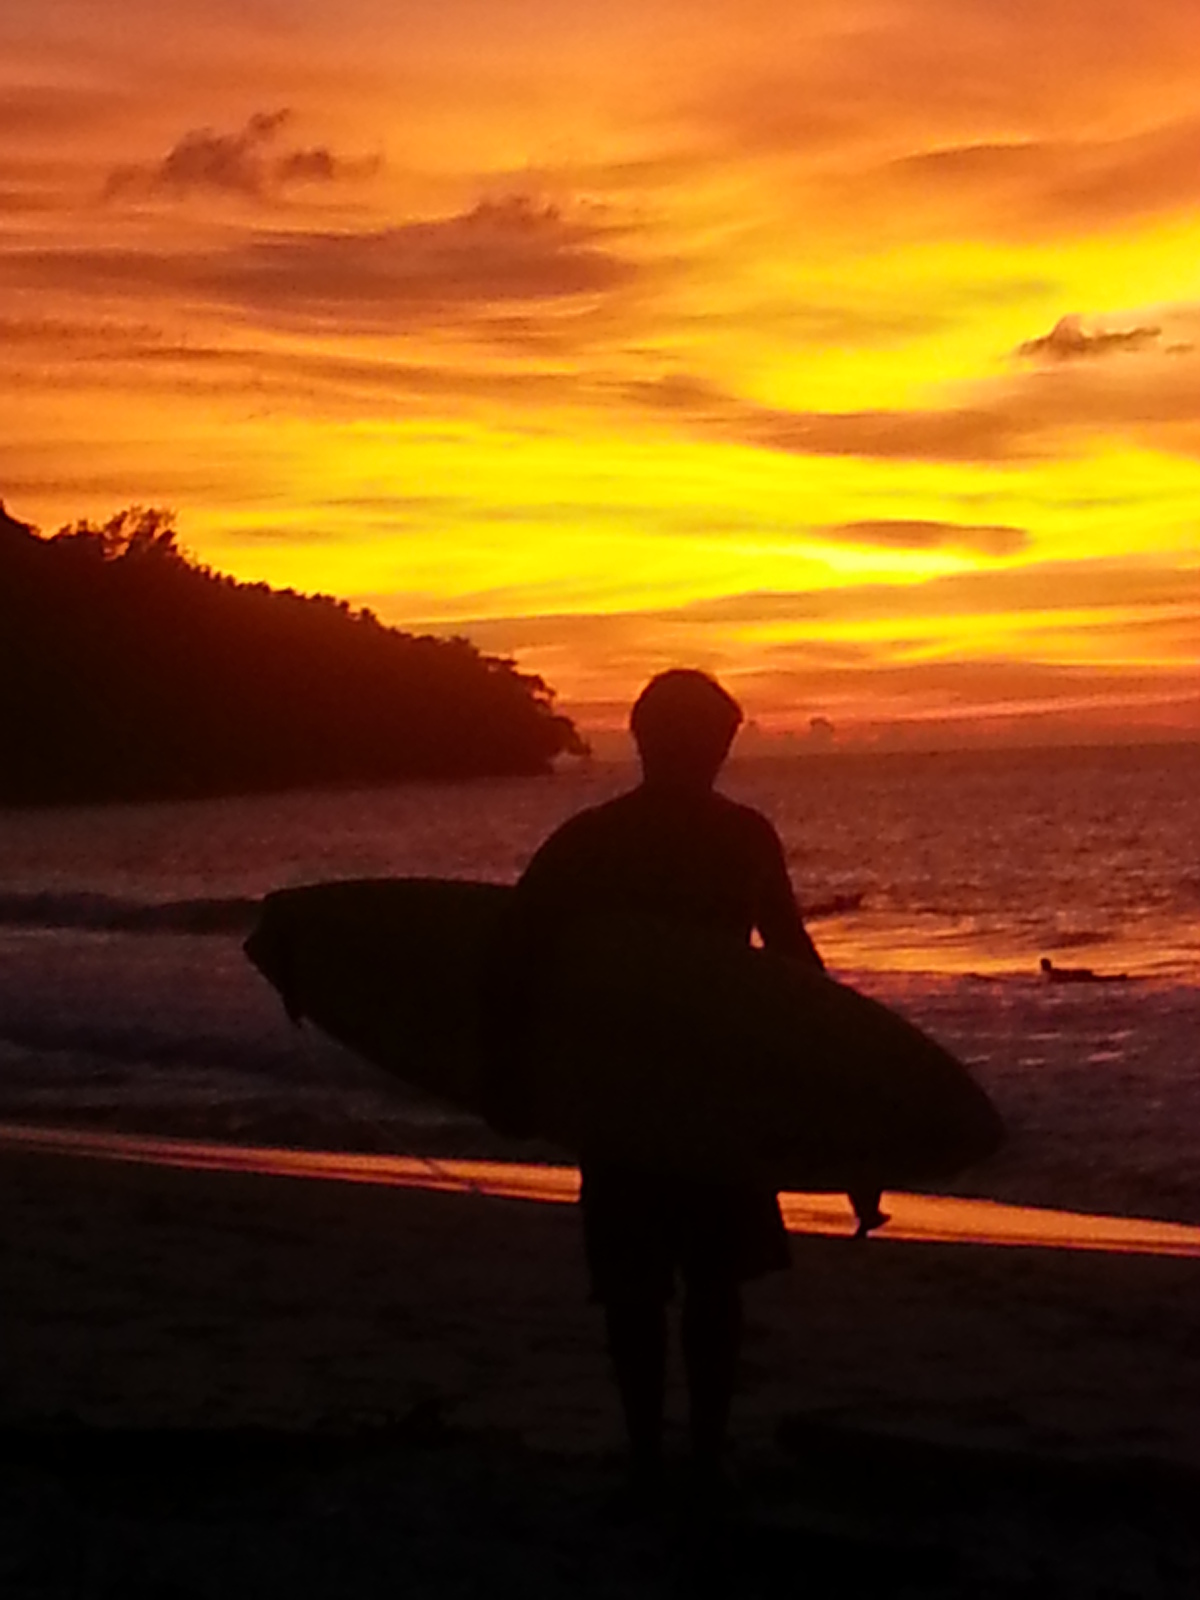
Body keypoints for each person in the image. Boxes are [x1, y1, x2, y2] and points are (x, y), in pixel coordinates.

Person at [481, 669, 830, 1481]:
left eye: (718, 741)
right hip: (649, 1094)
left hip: (687, 1091)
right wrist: (506, 1076)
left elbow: (790, 962)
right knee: (654, 1290)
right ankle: (667, 1450)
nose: (709, 754)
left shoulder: (707, 837)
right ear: (651, 741)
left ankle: (679, 1450)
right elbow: (516, 958)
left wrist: (844, 1087)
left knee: (696, 1286)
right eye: (700, 739)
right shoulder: (618, 839)